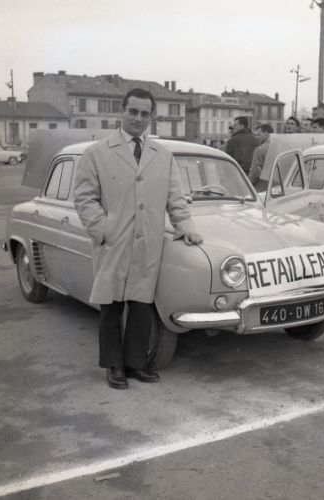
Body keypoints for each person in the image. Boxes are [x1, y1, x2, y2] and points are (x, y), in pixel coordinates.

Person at [74, 88, 203, 389]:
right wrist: (103, 230)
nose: (138, 118)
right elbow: (84, 198)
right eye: (133, 111)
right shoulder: (97, 152)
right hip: (113, 241)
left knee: (142, 304)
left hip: (148, 242)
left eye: (145, 113)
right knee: (111, 306)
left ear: (151, 117)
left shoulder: (163, 155)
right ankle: (114, 366)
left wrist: (186, 227)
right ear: (122, 111)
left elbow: (176, 199)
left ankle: (135, 364)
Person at [249, 123, 273, 190]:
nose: (257, 138)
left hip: (263, 187)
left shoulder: (259, 150)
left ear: (266, 133)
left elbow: (254, 172)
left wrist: (250, 184)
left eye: (259, 135)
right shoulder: (280, 147)